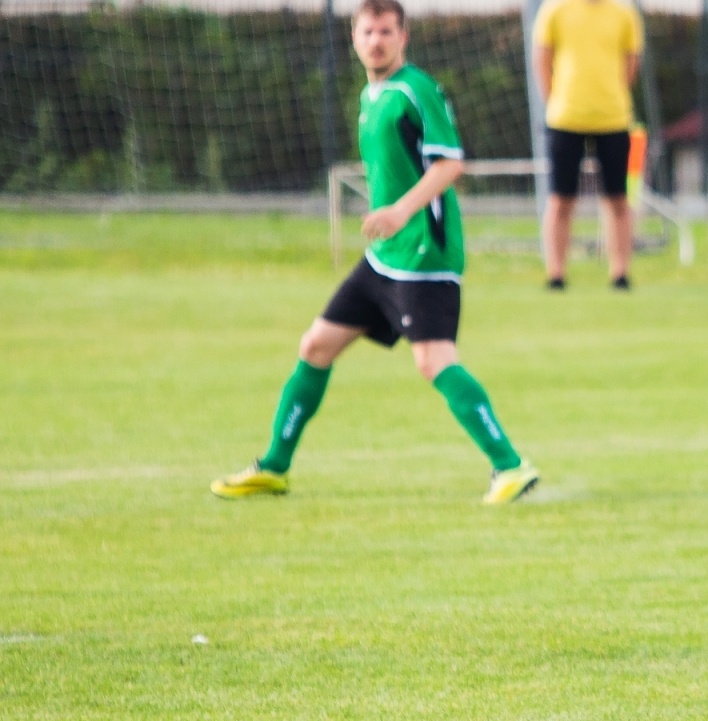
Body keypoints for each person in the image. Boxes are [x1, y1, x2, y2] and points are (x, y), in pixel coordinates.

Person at [211, 0, 539, 505]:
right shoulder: (371, 95)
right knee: (316, 346)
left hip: (425, 254)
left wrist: (400, 213)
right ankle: (274, 466)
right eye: (367, 32)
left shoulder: (415, 89)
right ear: (354, 38)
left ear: (403, 37)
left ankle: (511, 467)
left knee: (433, 361)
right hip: (386, 256)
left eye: (386, 31)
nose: (376, 41)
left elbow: (450, 165)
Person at [533, 0, 643, 291]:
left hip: (614, 118)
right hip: (565, 118)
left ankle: (620, 273)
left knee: (618, 199)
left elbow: (631, 62)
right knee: (560, 200)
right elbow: (542, 59)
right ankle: (556, 274)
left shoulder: (624, 12)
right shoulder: (555, 9)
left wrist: (612, 96)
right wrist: (555, 100)